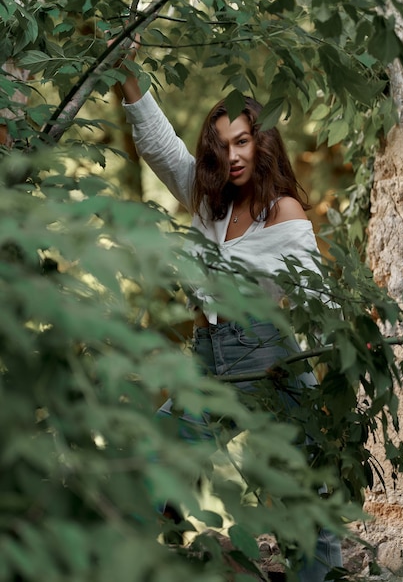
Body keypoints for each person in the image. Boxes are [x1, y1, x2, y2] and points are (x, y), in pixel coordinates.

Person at [115, 58, 343, 581]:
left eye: (242, 141)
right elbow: (159, 145)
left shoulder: (282, 212)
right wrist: (128, 73)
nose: (233, 155)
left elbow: (317, 293)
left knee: (305, 498)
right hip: (207, 359)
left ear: (261, 142)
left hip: (268, 359)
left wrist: (353, 343)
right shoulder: (206, 199)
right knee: (154, 458)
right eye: (223, 145)